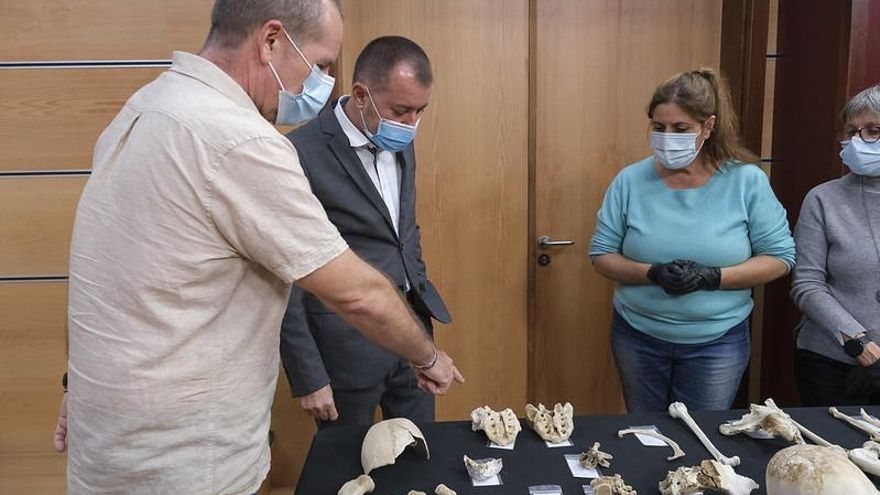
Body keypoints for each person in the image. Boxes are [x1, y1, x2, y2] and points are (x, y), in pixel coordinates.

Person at [55, 1, 463, 493]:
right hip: (184, 460)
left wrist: (76, 383)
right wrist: (426, 355)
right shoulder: (239, 141)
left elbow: (98, 276)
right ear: (271, 41)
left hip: (111, 441)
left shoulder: (143, 108)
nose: (323, 82)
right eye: (322, 64)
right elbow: (355, 293)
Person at [589, 68, 795, 413]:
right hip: (638, 336)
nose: (667, 136)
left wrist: (712, 277)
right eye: (659, 127)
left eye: (681, 128)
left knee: (699, 438)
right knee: (647, 434)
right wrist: (652, 273)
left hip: (717, 342)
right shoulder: (629, 181)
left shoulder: (747, 181)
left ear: (708, 127)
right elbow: (601, 254)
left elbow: (779, 257)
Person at [279, 36, 452, 427]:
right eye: (401, 110)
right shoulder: (298, 154)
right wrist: (309, 375)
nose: (411, 124)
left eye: (420, 111)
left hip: (411, 341)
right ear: (360, 95)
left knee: (422, 462)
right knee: (345, 474)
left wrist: (418, 318)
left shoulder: (401, 140)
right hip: (343, 354)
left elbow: (403, 234)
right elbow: (287, 275)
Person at [791, 84, 880, 406]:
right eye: (852, 131)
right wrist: (859, 344)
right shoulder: (823, 199)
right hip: (831, 362)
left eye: (873, 131)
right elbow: (807, 283)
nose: (859, 141)